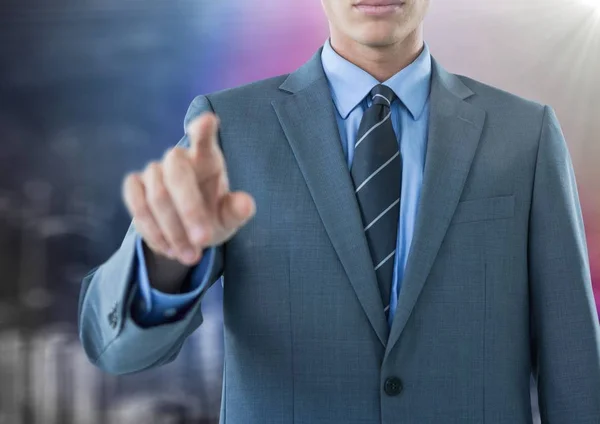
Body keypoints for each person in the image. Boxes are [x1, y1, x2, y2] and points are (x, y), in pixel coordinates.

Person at [78, 0, 600, 422]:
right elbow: (116, 349)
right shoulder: (229, 128)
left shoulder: (524, 134)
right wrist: (166, 263)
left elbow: (576, 367)